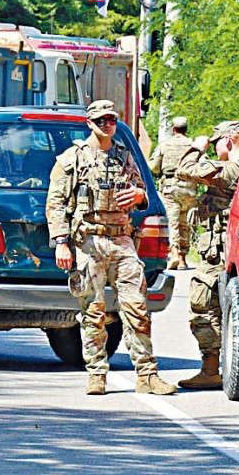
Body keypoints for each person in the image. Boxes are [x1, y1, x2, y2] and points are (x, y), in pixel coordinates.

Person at [45, 100, 177, 396]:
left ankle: (147, 374)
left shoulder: (124, 156)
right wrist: (61, 242)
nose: (108, 125)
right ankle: (96, 373)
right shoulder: (72, 159)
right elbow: (55, 205)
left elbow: (143, 194)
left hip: (122, 241)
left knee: (138, 309)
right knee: (93, 312)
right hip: (89, 242)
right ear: (90, 123)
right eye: (102, 121)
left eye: (112, 120)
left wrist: (140, 195)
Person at [175, 120, 239, 390]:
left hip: (221, 255)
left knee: (204, 307)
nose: (215, 148)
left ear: (229, 140)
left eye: (218, 142)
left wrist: (196, 146)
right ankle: (218, 368)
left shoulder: (233, 168)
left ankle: (211, 369)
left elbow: (184, 170)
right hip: (230, 252)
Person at [147, 116, 198, 270]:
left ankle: (174, 252)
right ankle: (183, 259)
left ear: (173, 129)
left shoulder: (165, 145)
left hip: (170, 188)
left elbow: (154, 167)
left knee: (172, 222)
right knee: (185, 223)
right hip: (189, 188)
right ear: (186, 129)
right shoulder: (193, 145)